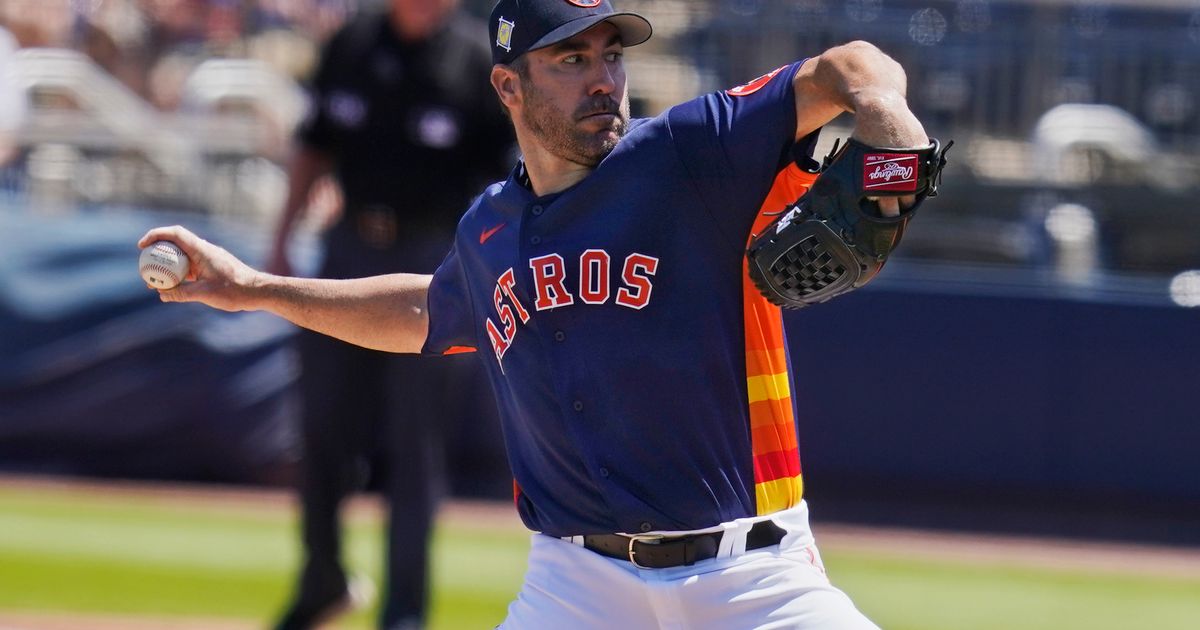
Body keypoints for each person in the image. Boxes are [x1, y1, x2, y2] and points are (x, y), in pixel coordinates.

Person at [140, 0, 933, 627]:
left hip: (750, 580)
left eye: (612, 54)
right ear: (508, 85)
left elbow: (849, 65)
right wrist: (252, 287)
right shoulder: (488, 227)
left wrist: (886, 114)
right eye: (571, 57)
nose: (602, 77)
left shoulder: (689, 152)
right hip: (577, 586)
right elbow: (426, 309)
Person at [265, 1, 513, 629]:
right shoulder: (353, 41)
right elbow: (315, 144)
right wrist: (281, 236)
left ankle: (403, 614)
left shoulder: (473, 59)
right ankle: (322, 578)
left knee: (414, 446)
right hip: (346, 247)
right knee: (320, 428)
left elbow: (504, 179)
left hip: (434, 264)